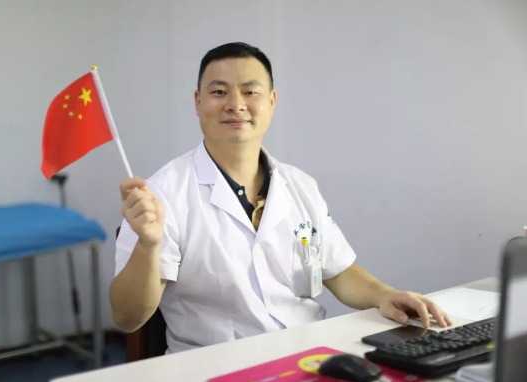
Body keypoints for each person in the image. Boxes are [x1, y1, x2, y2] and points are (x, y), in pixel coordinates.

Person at [110, 42, 451, 354]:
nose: (236, 104)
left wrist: (384, 295)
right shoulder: (162, 194)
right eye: (219, 92)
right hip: (215, 367)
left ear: (271, 102)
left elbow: (338, 271)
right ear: (198, 102)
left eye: (250, 91)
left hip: (308, 357)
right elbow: (127, 318)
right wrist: (148, 246)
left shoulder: (299, 185)